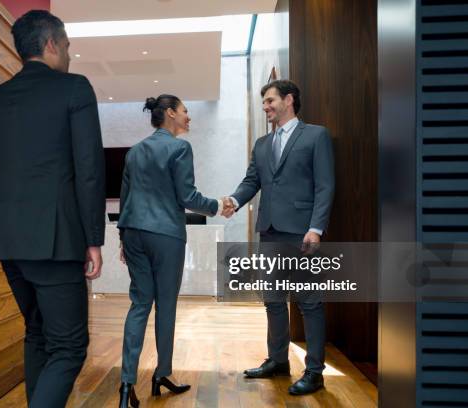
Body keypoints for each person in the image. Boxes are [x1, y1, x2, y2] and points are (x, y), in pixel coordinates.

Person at [0, 10, 105, 408]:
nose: (70, 55)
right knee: (70, 347)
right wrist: (93, 239)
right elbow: (89, 169)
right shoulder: (74, 89)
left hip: (6, 242)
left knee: (38, 333)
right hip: (56, 240)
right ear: (50, 44)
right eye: (67, 46)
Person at [222, 79, 334, 395]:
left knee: (309, 303)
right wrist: (233, 200)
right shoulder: (262, 144)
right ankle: (278, 361)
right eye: (264, 103)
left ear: (289, 99)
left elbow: (325, 186)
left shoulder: (316, 135)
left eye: (270, 101)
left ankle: (315, 372)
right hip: (269, 230)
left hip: (301, 232)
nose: (266, 107)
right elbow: (251, 181)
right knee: (272, 299)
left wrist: (317, 227)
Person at [117, 95, 229, 407]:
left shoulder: (135, 151)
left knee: (139, 304)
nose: (188, 116)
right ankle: (160, 374)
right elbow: (188, 196)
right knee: (165, 305)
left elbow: (126, 198)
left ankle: (126, 386)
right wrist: (218, 206)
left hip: (133, 233)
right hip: (165, 234)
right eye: (185, 111)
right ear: (170, 114)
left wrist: (123, 240)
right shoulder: (180, 147)